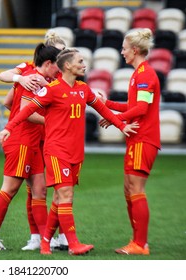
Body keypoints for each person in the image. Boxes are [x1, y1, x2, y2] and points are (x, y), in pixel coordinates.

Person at [0, 48, 139, 255]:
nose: (84, 64)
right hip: (56, 151)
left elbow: (102, 108)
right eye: (80, 61)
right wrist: (8, 128)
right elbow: (25, 110)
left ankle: (45, 241)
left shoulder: (83, 89)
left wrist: (121, 126)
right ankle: (73, 244)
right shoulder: (52, 89)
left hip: (76, 153)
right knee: (66, 195)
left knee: (58, 199)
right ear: (67, 66)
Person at [0, 44, 61, 250]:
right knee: (10, 188)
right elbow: (27, 111)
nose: (60, 70)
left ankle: (43, 239)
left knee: (39, 190)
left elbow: (10, 102)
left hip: (32, 141)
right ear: (49, 63)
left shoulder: (39, 77)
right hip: (22, 141)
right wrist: (53, 121)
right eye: (57, 65)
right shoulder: (34, 78)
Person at [0, 28, 69, 251]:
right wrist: (20, 80)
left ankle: (56, 236)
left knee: (51, 187)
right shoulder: (30, 71)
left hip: (47, 137)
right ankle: (38, 236)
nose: (63, 61)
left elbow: (11, 103)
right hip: (34, 137)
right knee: (37, 189)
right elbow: (9, 98)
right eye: (60, 55)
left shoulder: (60, 76)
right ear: (49, 57)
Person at [98, 28, 161, 255]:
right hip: (137, 138)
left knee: (136, 189)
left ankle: (140, 244)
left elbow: (141, 110)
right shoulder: (139, 74)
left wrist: (115, 119)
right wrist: (108, 106)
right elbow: (133, 106)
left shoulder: (145, 75)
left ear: (134, 50)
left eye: (124, 48)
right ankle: (137, 240)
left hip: (144, 139)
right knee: (129, 189)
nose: (121, 52)